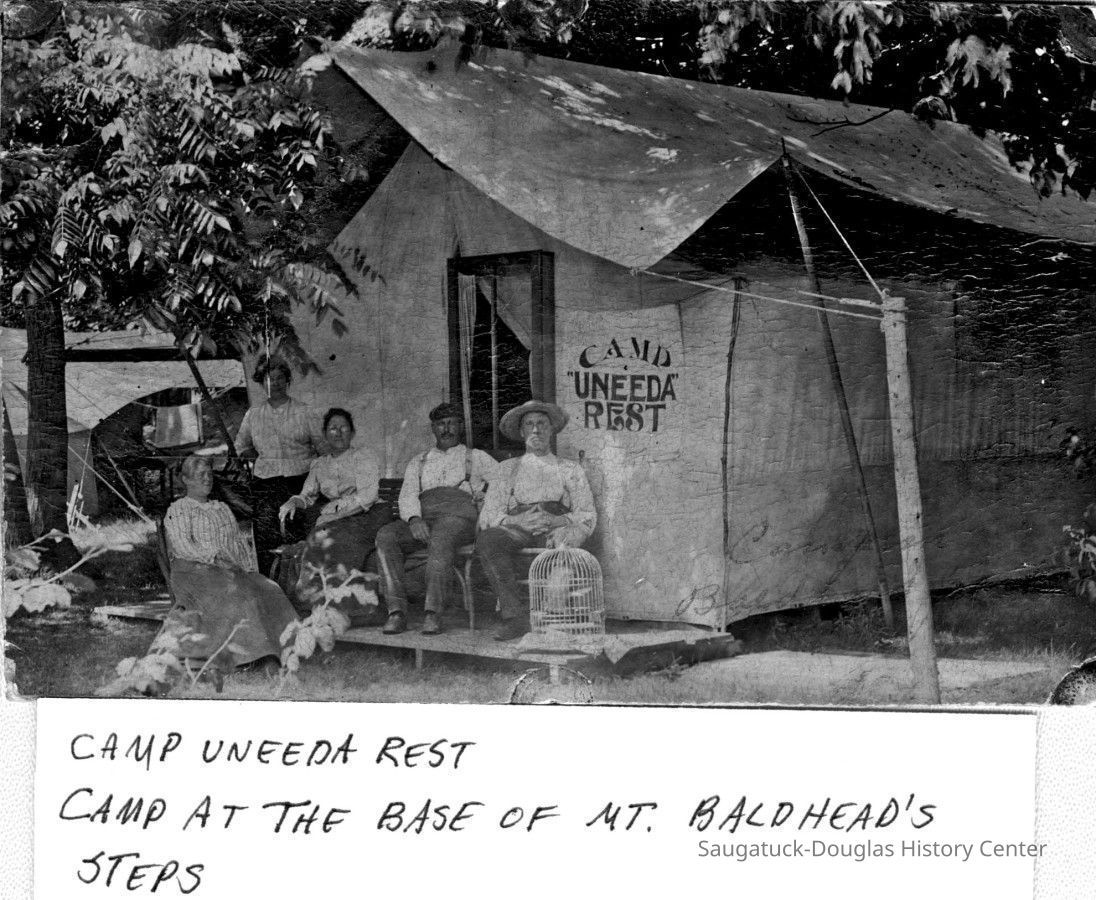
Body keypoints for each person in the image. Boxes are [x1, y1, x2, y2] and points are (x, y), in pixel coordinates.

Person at [159, 454, 298, 673]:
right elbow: (181, 546)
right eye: (200, 475)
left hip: (224, 568)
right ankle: (255, 655)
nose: (207, 479)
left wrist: (246, 569)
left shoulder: (222, 509)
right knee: (236, 593)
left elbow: (237, 545)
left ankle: (287, 647)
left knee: (267, 588)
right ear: (186, 479)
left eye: (209, 474)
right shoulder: (179, 510)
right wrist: (214, 555)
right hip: (191, 570)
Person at [475, 400, 596, 641]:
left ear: (552, 430)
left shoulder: (569, 468)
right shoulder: (507, 468)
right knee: (488, 539)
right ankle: (515, 617)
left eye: (542, 424)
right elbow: (489, 513)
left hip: (555, 530)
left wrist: (559, 520)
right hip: (518, 528)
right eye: (529, 424)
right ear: (521, 432)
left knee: (565, 548)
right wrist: (516, 520)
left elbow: (587, 513)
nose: (535, 430)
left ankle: (554, 620)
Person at [375, 403, 499, 636]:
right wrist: (413, 519)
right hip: (425, 516)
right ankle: (396, 612)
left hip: (458, 517)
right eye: (441, 424)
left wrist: (487, 498)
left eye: (452, 423)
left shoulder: (475, 457)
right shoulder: (419, 461)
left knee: (441, 537)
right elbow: (408, 495)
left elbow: (505, 482)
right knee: (386, 535)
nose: (446, 429)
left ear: (460, 426)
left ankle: (432, 613)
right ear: (433, 428)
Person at [278, 408, 391, 623]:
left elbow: (367, 496)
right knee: (320, 535)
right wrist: (294, 501)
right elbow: (307, 495)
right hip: (340, 519)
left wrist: (333, 518)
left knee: (331, 536)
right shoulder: (320, 464)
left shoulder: (363, 456)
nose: (338, 433)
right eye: (333, 428)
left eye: (343, 428)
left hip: (370, 513)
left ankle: (358, 609)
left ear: (352, 432)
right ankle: (320, 603)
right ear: (325, 434)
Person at [234, 359, 325, 570]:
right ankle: (271, 587)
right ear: (261, 383)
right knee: (266, 536)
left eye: (279, 378)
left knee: (296, 537)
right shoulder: (254, 415)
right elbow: (240, 447)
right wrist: (256, 456)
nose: (274, 383)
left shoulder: (304, 411)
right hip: (266, 483)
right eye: (269, 379)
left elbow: (323, 449)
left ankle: (299, 587)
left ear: (287, 380)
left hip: (299, 482)